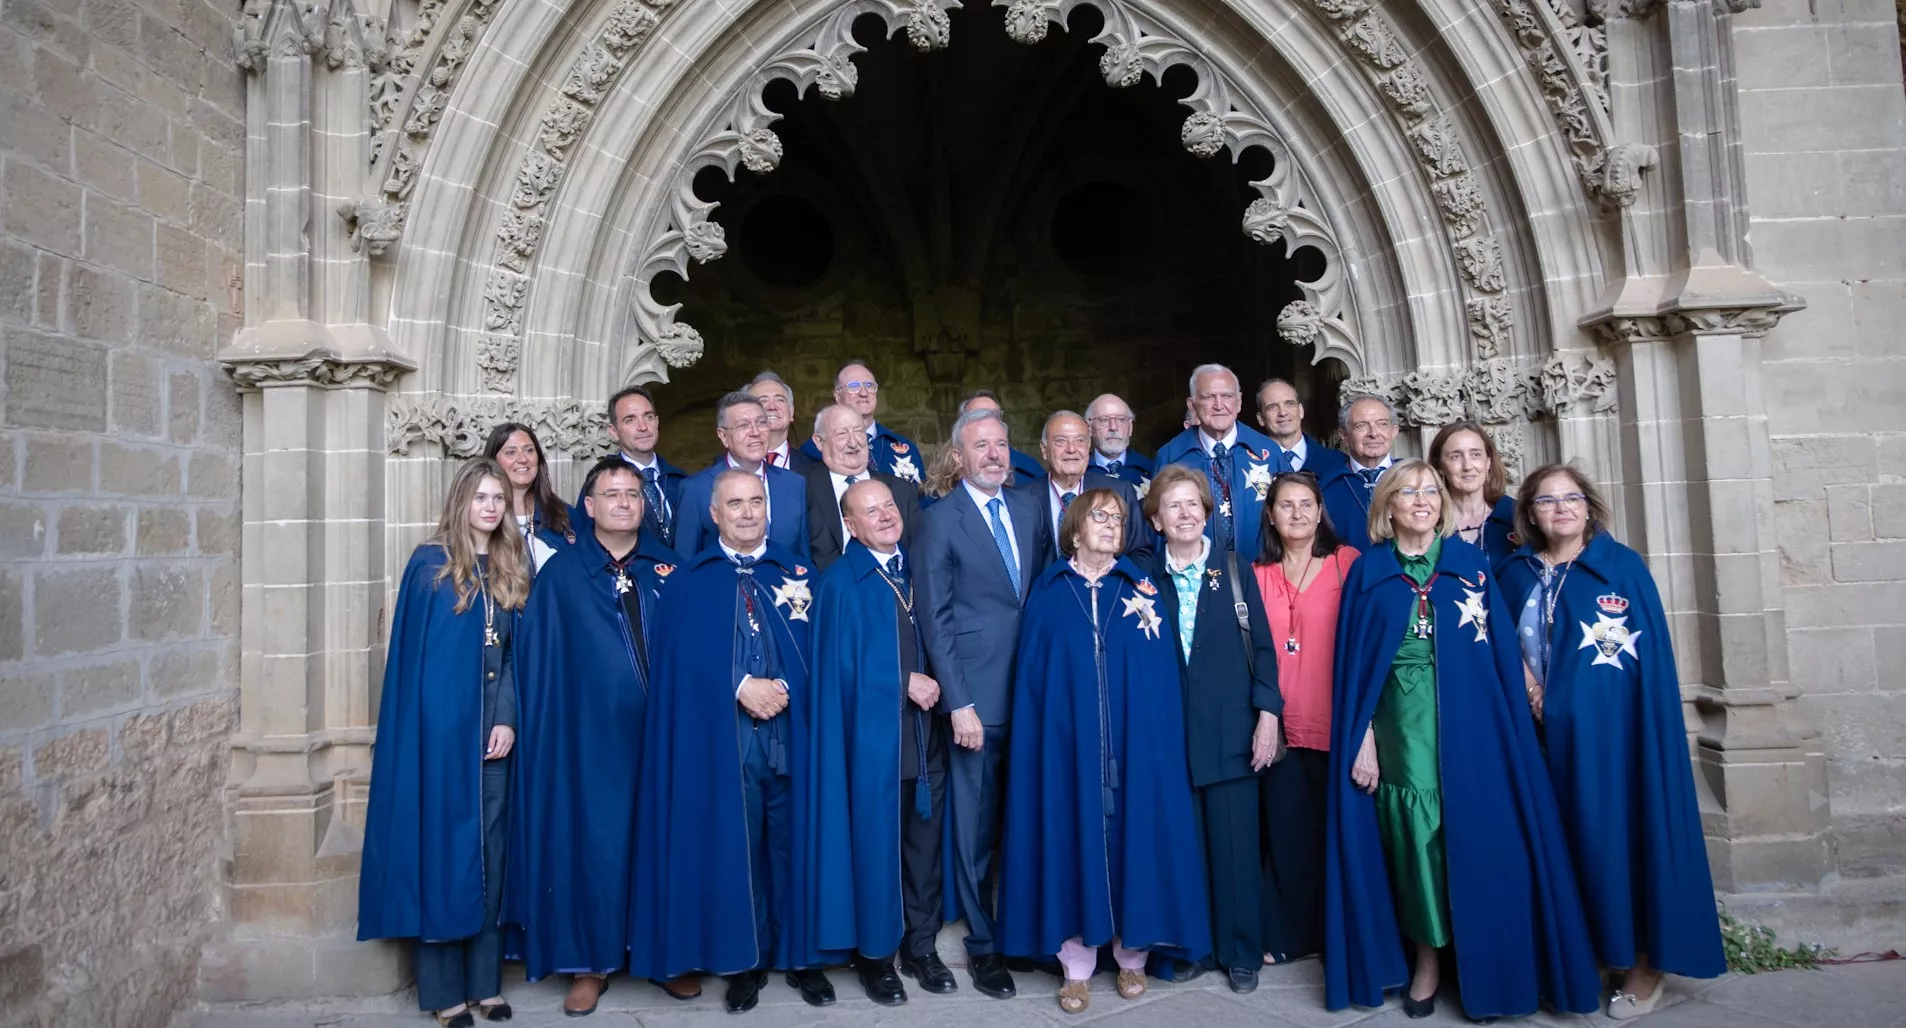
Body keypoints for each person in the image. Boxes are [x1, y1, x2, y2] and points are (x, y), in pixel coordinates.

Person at [1325, 459, 1600, 1021]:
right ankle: (1427, 960)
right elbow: (1353, 669)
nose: (1422, 499)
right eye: (1408, 491)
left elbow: (1502, 655)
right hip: (1399, 724)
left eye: (1431, 490)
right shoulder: (1369, 572)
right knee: (1417, 839)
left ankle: (1488, 965)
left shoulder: (1471, 566)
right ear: (1388, 506)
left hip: (1472, 724)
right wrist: (1362, 737)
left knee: (1477, 834)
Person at [1497, 464, 1725, 1020]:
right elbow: (1498, 644)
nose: (1561, 509)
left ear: (1589, 506)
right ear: (1528, 512)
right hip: (1538, 738)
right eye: (1546, 501)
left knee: (1619, 841)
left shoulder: (1621, 569)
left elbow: (1638, 669)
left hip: (1611, 743)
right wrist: (1531, 691)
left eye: (1571, 498)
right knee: (1563, 847)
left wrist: (1567, 702)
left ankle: (1645, 966)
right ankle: (1591, 956)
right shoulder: (1515, 573)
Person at [628, 470, 840, 1013]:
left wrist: (786, 686)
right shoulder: (692, 579)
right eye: (735, 504)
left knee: (795, 844)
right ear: (713, 514)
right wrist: (740, 686)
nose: (747, 512)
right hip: (726, 741)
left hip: (792, 733)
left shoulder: (798, 571)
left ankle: (801, 958)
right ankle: (746, 960)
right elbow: (678, 663)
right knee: (739, 849)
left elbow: (823, 651)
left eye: (755, 502)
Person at [1000, 487, 1210, 1015]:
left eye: (1117, 518)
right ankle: (1076, 965)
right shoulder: (1049, 594)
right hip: (1068, 750)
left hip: (1136, 749)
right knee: (1071, 840)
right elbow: (1035, 685)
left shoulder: (1140, 589)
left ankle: (1133, 955)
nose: (1111, 524)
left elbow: (1159, 679)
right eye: (1099, 516)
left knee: (1137, 839)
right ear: (1075, 528)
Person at [507, 456, 683, 1014]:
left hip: (663, 738)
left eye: (633, 494)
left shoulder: (671, 569)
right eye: (612, 494)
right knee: (596, 847)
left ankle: (667, 956)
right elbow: (539, 664)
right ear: (590, 506)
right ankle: (590, 962)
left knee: (663, 842)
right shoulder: (561, 576)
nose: (625, 502)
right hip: (588, 743)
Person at [358, 458, 530, 1027]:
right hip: (441, 739)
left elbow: (509, 657)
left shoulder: (509, 564)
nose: (489, 506)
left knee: (491, 855)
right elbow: (415, 668)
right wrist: (441, 730)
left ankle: (485, 983)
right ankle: (443, 991)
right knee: (445, 854)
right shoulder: (430, 566)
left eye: (498, 498)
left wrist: (505, 717)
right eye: (480, 496)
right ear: (461, 501)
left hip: (491, 739)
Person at [912, 406, 1052, 999]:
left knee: (1026, 815)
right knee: (973, 823)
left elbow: (1042, 593)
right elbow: (935, 620)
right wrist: (959, 703)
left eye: (1001, 444)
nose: (994, 454)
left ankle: (1025, 930)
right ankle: (983, 945)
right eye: (981, 446)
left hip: (1036, 688)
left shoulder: (1029, 506)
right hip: (976, 697)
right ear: (958, 458)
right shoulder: (939, 520)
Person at [805, 479, 955, 1005]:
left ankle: (921, 948)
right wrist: (899, 682)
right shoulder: (840, 582)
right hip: (872, 747)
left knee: (925, 851)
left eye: (889, 505)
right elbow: (832, 672)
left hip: (927, 738)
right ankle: (876, 957)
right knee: (876, 850)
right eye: (870, 510)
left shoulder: (920, 565)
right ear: (850, 523)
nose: (886, 515)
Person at [1143, 465, 1282, 994]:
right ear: (1156, 520)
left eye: (1193, 504)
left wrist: (1268, 716)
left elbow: (1263, 650)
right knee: (1184, 847)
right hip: (1168, 736)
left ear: (1208, 512)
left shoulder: (1233, 567)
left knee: (1235, 849)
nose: (1184, 514)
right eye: (1172, 506)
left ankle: (1241, 951)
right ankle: (1193, 946)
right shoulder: (1143, 578)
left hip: (1232, 732)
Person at [1250, 470, 1359, 967]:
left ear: (1320, 511)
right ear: (1270, 515)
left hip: (1337, 720)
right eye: (1286, 505)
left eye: (1306, 504)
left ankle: (1337, 929)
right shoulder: (1254, 574)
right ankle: (1293, 932)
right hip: (1280, 726)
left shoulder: (1348, 566)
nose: (1297, 513)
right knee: (1288, 833)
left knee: (1336, 832)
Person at [1154, 364, 1281, 554]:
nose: (1219, 405)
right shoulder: (1170, 457)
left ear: (1238, 402)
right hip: (1196, 575)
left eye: (1227, 396)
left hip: (1261, 570)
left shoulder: (1268, 452)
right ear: (1192, 405)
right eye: (1208, 397)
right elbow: (1158, 528)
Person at [674, 391, 811, 561]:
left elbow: (803, 558)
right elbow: (686, 562)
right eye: (743, 425)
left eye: (761, 423)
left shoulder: (794, 484)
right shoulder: (696, 489)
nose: (755, 432)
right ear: (723, 436)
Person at [803, 404, 921, 572]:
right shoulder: (801, 490)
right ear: (819, 442)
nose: (853, 442)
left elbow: (918, 553)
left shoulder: (901, 490)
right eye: (842, 434)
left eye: (859, 431)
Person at [1033, 411, 1151, 561]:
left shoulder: (1120, 492)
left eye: (1080, 441)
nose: (1071, 449)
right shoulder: (1023, 500)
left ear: (1088, 447)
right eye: (1061, 441)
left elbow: (1140, 554)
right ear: (1044, 450)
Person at [586, 385, 687, 550]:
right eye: (630, 420)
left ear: (657, 422)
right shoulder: (601, 481)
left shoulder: (680, 480)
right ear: (614, 431)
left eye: (648, 417)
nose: (643, 427)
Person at [798, 360, 926, 486]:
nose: (864, 393)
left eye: (869, 385)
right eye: (854, 386)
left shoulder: (904, 449)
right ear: (837, 396)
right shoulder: (812, 450)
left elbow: (921, 501)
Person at [485, 421, 573, 574]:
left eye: (529, 450)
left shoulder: (565, 514)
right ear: (493, 461)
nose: (523, 459)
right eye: (511, 452)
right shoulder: (483, 516)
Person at [1319, 395, 1401, 553]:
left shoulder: (1415, 479)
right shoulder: (1326, 488)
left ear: (1394, 431)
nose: (1373, 433)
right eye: (1361, 426)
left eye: (1382, 424)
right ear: (1344, 435)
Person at [1430, 421, 1516, 565]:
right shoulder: (1429, 521)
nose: (1467, 466)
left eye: (1475, 455)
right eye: (1455, 457)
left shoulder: (1515, 515)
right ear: (1440, 466)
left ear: (1488, 462)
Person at [1253, 378, 1348, 480]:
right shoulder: (1247, 465)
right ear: (1261, 418)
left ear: (1301, 411)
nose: (1283, 412)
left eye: (1289, 404)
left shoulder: (1338, 462)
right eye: (1272, 407)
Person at [959, 390, 1044, 485]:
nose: (988, 422)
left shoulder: (1031, 470)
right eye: (977, 416)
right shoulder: (945, 479)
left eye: (994, 415)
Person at [748, 371, 818, 474]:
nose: (772, 407)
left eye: (780, 400)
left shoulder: (814, 468)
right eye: (763, 401)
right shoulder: (726, 468)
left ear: (791, 412)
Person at [1085, 393, 1154, 490]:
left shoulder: (1151, 469)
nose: (1113, 427)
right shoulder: (1079, 472)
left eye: (1121, 419)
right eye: (1104, 420)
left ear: (1130, 427)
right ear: (1090, 428)